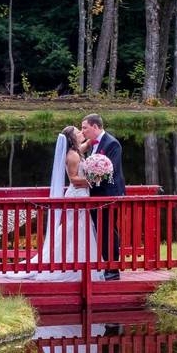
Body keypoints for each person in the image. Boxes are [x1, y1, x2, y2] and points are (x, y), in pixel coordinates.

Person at [8, 126, 102, 282]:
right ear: (72, 138)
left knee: (77, 229)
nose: (81, 133)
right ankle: (70, 266)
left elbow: (86, 145)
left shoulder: (77, 151)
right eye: (78, 132)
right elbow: (73, 179)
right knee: (75, 228)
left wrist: (96, 135)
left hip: (82, 194)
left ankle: (79, 264)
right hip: (77, 195)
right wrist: (93, 181)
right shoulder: (72, 156)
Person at [80, 114, 125, 281]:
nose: (83, 131)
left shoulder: (112, 143)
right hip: (96, 196)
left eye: (85, 127)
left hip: (109, 195)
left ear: (96, 127)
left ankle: (113, 268)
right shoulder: (91, 144)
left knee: (108, 230)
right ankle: (105, 265)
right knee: (100, 231)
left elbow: (110, 172)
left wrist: (91, 176)